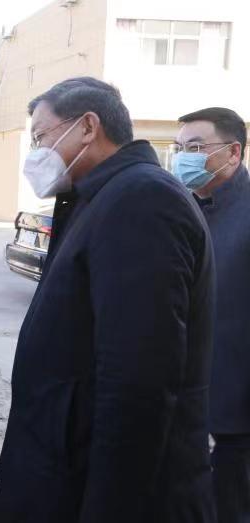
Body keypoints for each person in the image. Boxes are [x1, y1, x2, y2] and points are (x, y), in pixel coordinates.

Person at [0, 77, 216, 523]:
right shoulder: (98, 197)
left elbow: (139, 382)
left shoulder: (142, 199)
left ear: (88, 127)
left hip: (97, 487)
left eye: (41, 136)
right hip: (66, 463)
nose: (36, 152)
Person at [173, 107, 250, 523]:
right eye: (179, 148)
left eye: (196, 147)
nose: (183, 158)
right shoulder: (183, 207)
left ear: (233, 152)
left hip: (234, 417)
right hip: (181, 403)